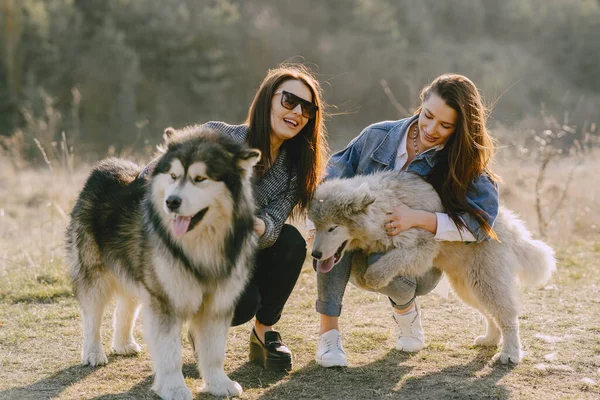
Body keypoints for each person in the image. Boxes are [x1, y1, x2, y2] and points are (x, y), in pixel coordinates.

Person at [314, 73, 499, 367]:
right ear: (423, 100)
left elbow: (481, 225)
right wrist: (323, 214)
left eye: (446, 125)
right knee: (334, 234)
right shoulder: (377, 136)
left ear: (460, 128)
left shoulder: (462, 161)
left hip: (419, 253)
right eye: (428, 116)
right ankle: (328, 335)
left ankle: (406, 312)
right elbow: (334, 172)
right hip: (363, 235)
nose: (431, 129)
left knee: (390, 275)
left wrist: (421, 218)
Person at [182, 64, 328, 371]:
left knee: (291, 241)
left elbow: (275, 222)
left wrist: (257, 224)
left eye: (308, 108)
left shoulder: (294, 167)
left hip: (244, 249)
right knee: (241, 304)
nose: (298, 112)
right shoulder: (219, 136)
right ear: (267, 100)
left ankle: (265, 334)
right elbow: (152, 173)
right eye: (289, 100)